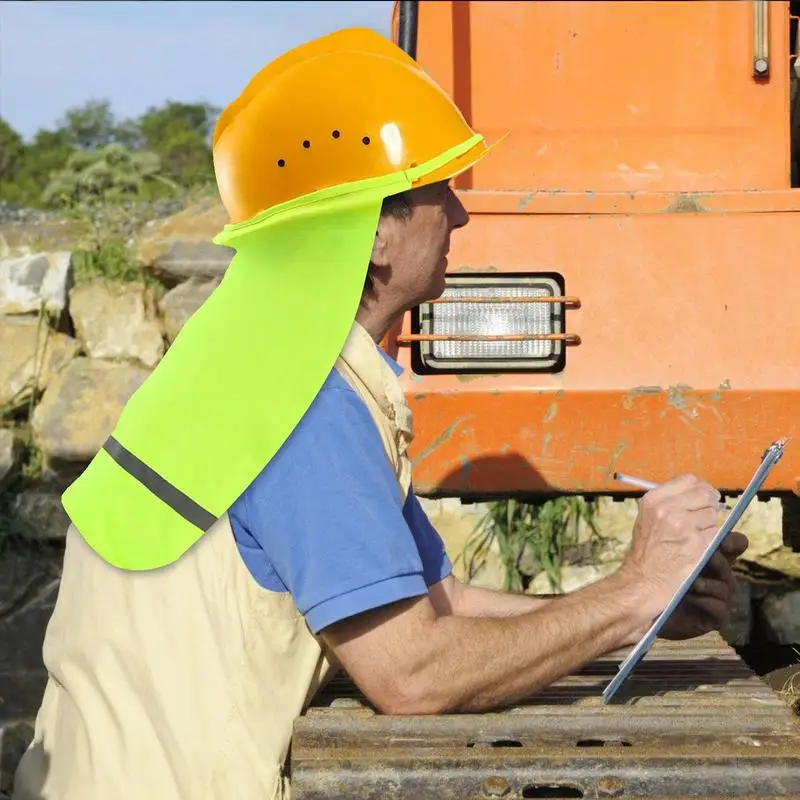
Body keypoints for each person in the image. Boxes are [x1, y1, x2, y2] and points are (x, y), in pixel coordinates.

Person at [13, 28, 747, 800]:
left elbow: (440, 604)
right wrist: (628, 593)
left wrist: (634, 612)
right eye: (440, 192)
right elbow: (411, 673)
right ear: (372, 232)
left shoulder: (257, 358)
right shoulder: (300, 405)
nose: (461, 216)